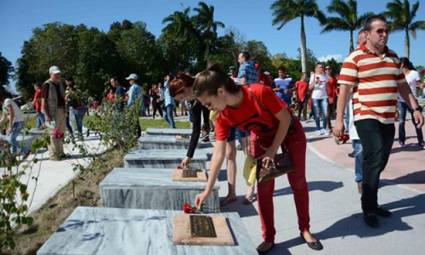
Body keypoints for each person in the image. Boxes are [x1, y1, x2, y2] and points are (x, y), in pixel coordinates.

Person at [194, 64, 323, 253]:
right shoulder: (223, 117)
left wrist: (272, 150)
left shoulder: (258, 92)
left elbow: (286, 119)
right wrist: (207, 190)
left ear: (220, 91)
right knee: (263, 189)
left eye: (208, 103)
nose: (209, 108)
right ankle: (269, 237)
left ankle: (305, 229)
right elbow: (218, 154)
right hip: (262, 138)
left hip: (290, 132)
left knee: (298, 183)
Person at [334, 15, 424, 228]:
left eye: (386, 31)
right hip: (366, 115)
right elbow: (344, 91)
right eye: (379, 31)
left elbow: (402, 86)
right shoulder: (354, 58)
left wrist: (416, 108)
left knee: (381, 159)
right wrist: (339, 121)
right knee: (374, 155)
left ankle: (370, 195)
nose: (384, 35)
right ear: (367, 34)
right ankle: (369, 207)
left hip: (388, 117)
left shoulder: (393, 57)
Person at [397, 57, 424, 148]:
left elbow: (419, 84)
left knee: (416, 121)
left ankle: (421, 141)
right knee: (401, 121)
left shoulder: (414, 73)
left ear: (403, 64)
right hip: (401, 101)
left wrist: (422, 85)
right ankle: (402, 141)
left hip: (412, 101)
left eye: (399, 64)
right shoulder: (399, 75)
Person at [41, 66, 67, 160]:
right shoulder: (46, 85)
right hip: (51, 112)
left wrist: (65, 110)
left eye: (58, 73)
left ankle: (60, 152)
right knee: (52, 134)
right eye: (55, 74)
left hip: (61, 110)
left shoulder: (61, 83)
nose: (58, 75)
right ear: (50, 74)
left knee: (61, 132)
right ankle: (53, 155)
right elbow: (43, 102)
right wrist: (46, 115)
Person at [309, 63, 329, 135]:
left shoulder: (325, 76)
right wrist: (315, 82)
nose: (322, 68)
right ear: (316, 68)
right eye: (320, 67)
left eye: (322, 67)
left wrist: (328, 95)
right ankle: (318, 128)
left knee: (326, 114)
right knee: (317, 114)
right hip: (315, 97)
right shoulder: (313, 76)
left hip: (324, 97)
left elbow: (327, 86)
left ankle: (324, 128)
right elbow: (309, 88)